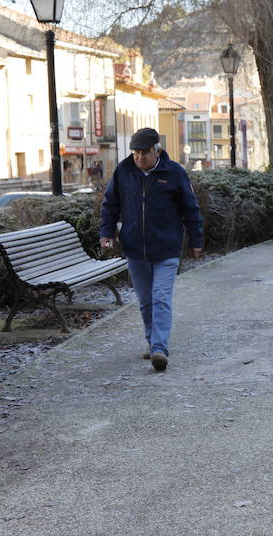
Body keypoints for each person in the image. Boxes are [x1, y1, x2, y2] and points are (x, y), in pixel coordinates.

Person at [99, 127, 204, 372]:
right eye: (135, 153)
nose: (139, 158)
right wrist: (106, 233)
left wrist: (196, 241)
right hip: (135, 248)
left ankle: (159, 348)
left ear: (157, 150)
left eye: (144, 153)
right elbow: (110, 205)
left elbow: (191, 209)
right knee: (146, 301)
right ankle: (152, 341)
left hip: (166, 248)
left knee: (161, 298)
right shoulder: (124, 171)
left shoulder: (174, 172)